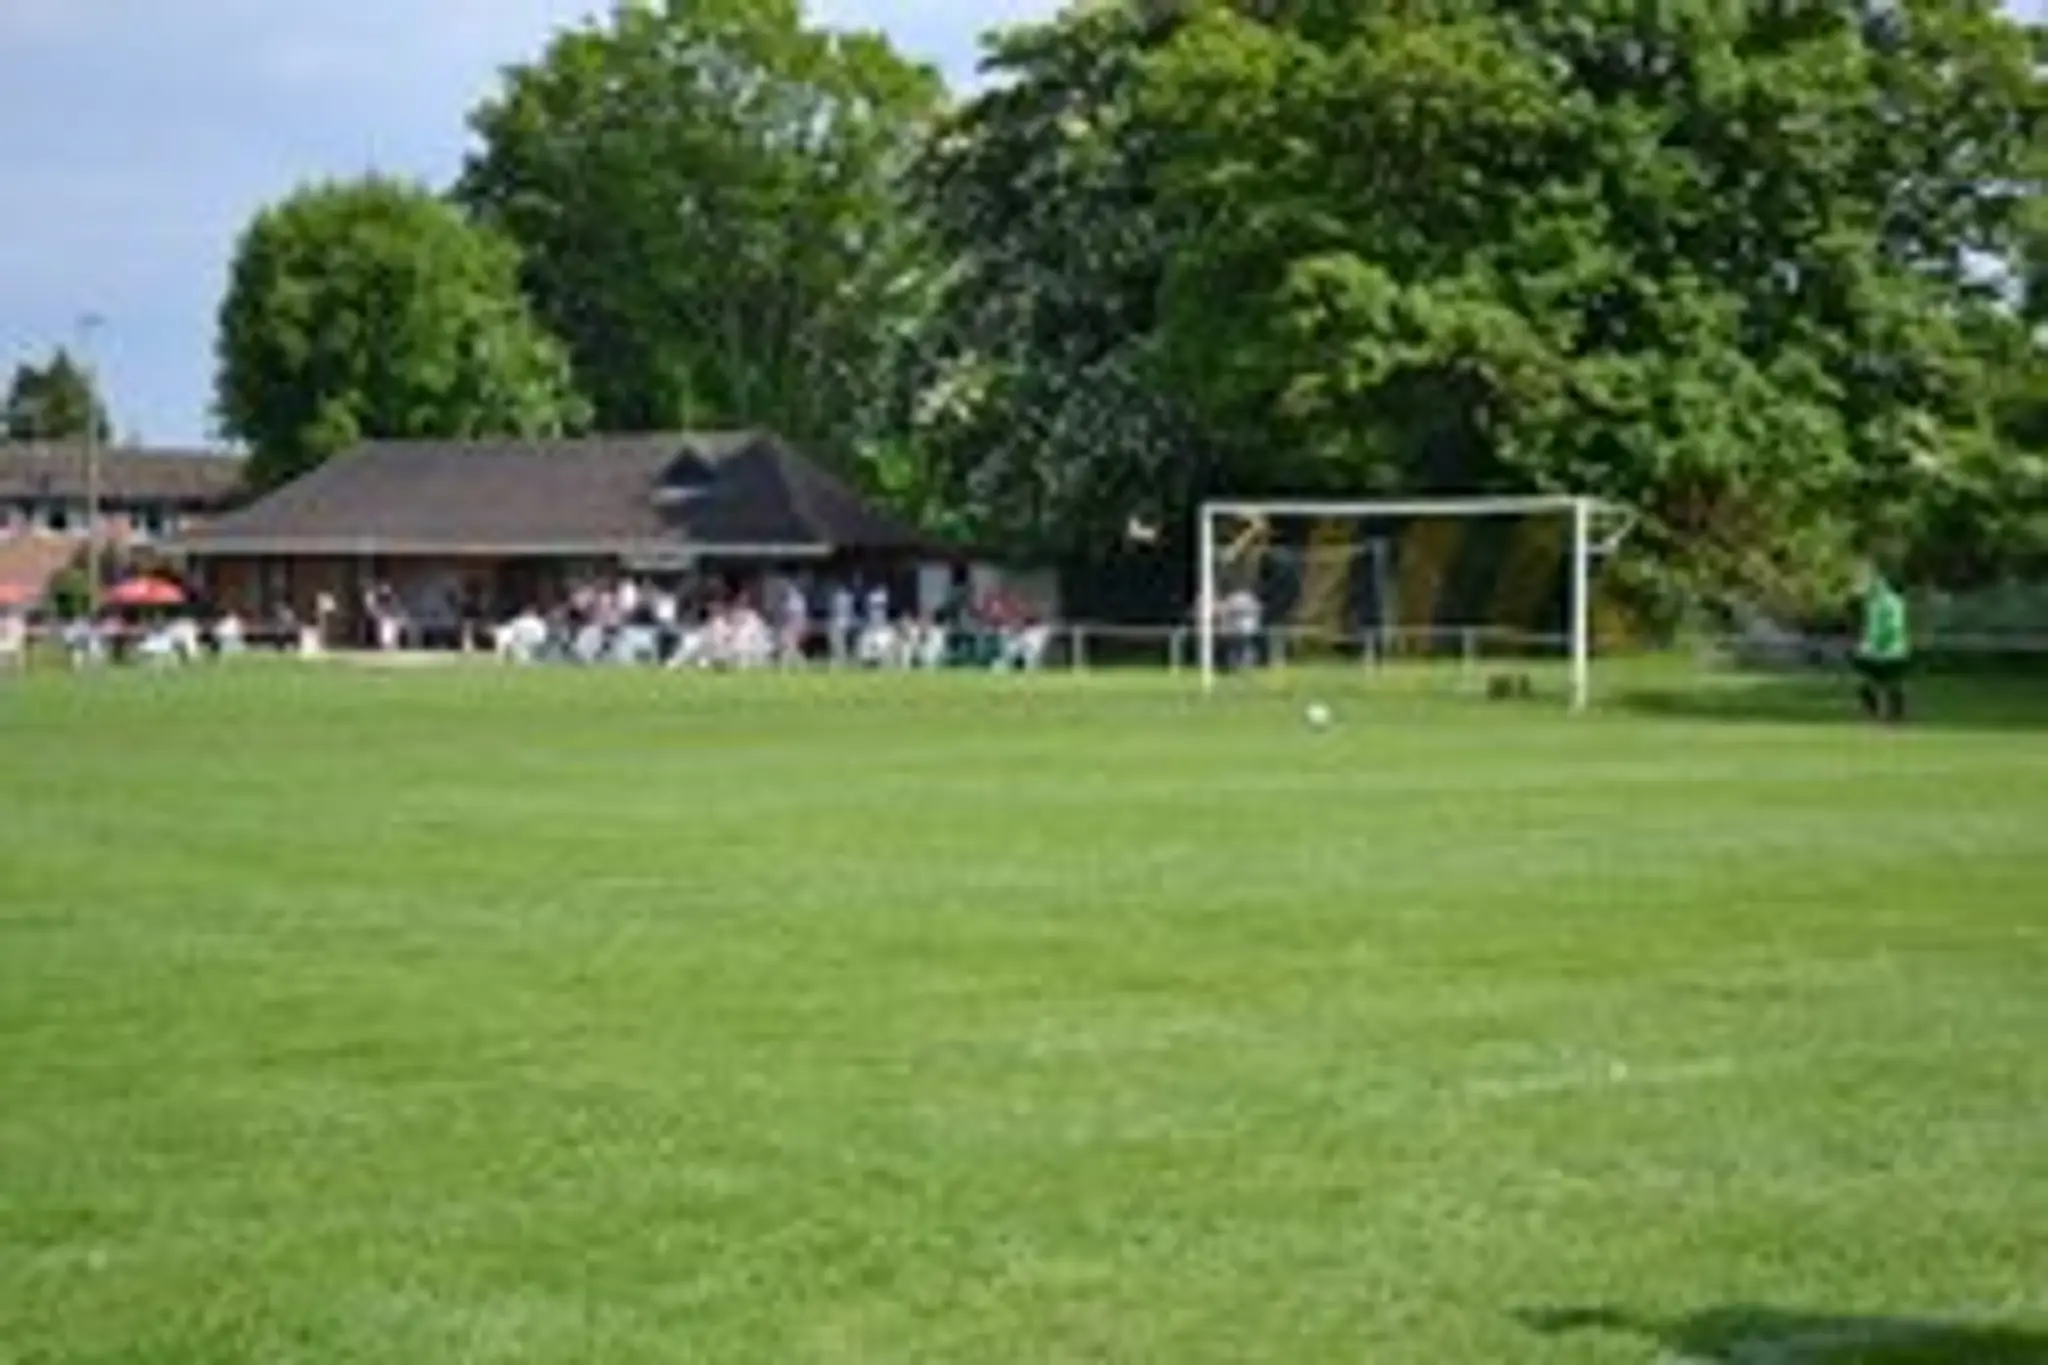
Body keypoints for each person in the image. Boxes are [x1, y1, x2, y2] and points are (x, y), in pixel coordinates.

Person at [1852, 566, 1910, 723]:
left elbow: (1893, 626)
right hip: (1883, 651)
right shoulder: (1874, 602)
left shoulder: (1886, 602)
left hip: (1888, 651)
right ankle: (1888, 716)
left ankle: (1889, 717)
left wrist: (1877, 644)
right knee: (1877, 686)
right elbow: (1871, 628)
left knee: (1883, 686)